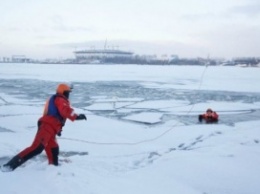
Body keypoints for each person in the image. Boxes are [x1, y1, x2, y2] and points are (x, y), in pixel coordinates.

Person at [1, 83, 87, 172]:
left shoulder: (58, 99)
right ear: (63, 92)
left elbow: (58, 116)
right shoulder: (60, 99)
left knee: (53, 148)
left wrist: (58, 129)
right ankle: (9, 166)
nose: (68, 95)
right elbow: (65, 111)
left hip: (51, 129)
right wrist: (76, 116)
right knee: (37, 148)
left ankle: (53, 167)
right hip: (47, 126)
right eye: (67, 92)